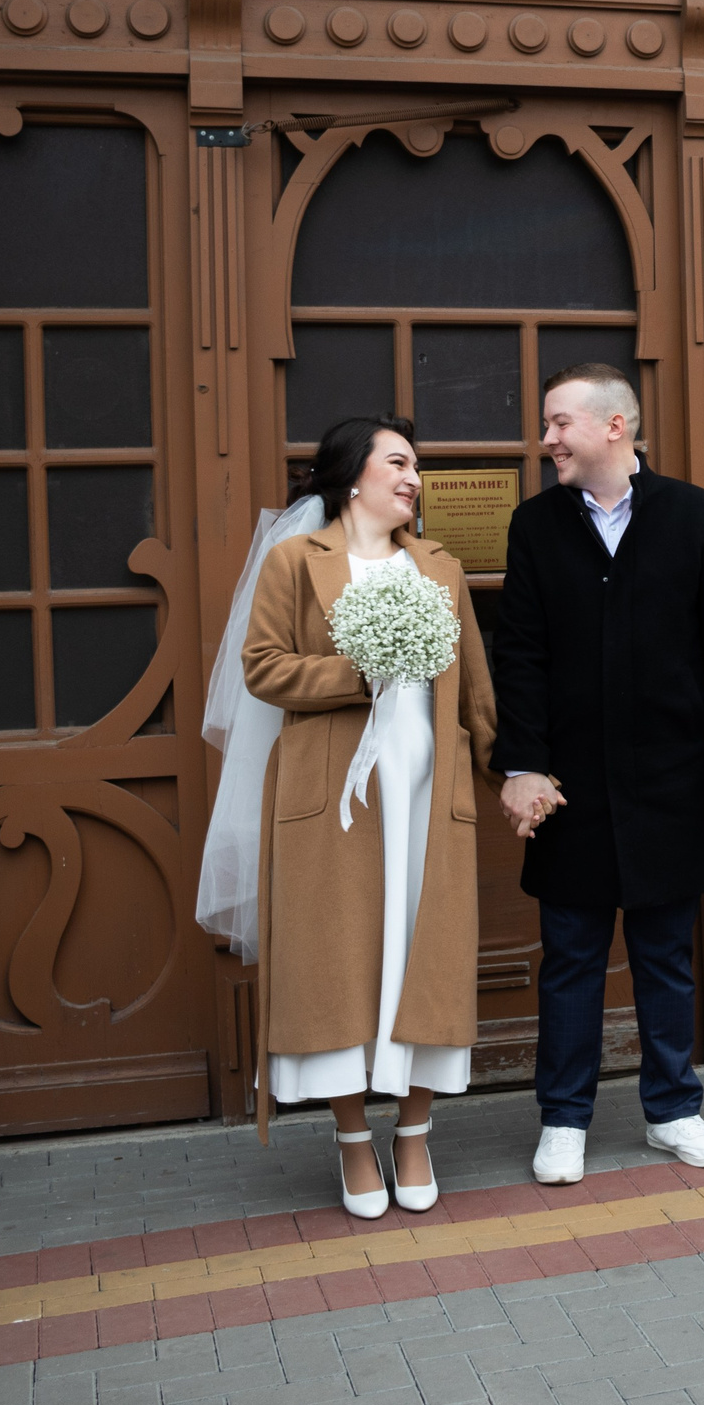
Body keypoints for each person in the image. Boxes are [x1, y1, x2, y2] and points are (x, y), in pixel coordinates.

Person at [213, 416, 497, 1219]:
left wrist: (513, 772)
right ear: (353, 475)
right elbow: (262, 668)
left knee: (424, 955)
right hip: (332, 795)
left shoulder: (438, 566)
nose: (414, 478)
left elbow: (475, 687)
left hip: (425, 793)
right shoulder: (294, 562)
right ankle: (349, 1142)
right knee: (337, 963)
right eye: (399, 462)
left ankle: (414, 1131)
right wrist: (358, 671)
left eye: (418, 465)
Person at [492, 365, 704, 1187]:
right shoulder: (535, 525)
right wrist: (521, 765)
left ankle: (673, 1110)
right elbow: (520, 656)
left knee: (664, 956)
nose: (547, 441)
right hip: (567, 786)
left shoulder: (696, 516)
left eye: (558, 423)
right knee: (570, 955)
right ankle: (564, 1120)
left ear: (614, 426)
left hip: (671, 780)